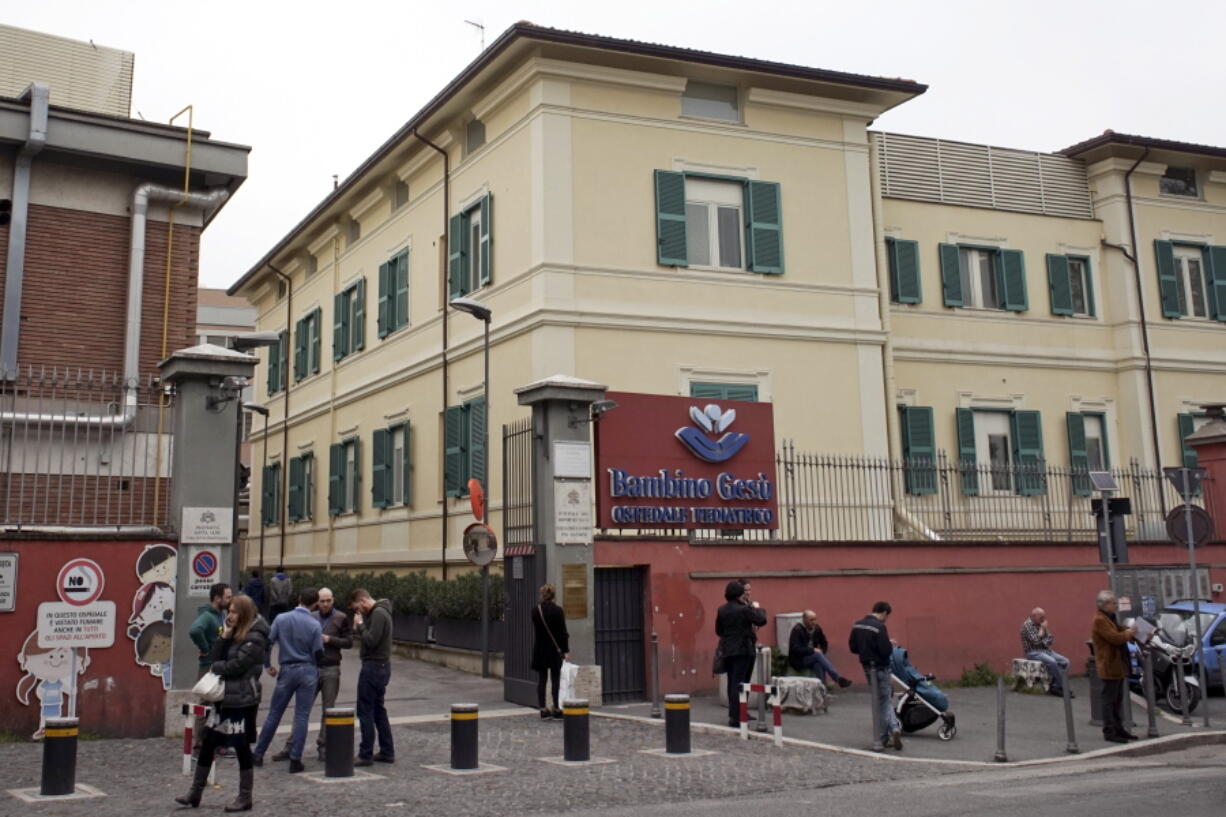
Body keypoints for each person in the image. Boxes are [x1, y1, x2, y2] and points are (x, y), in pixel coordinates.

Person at [176, 594, 266, 812]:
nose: (229, 615)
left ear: (243, 613)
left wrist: (217, 667)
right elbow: (213, 657)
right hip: (225, 699)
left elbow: (237, 665)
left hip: (242, 699)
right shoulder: (234, 632)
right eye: (229, 611)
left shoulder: (255, 636)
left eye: (234, 611)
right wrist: (224, 637)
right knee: (208, 742)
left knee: (241, 746)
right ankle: (195, 793)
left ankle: (245, 797)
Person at [274, 587, 352, 762]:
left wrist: (330, 639)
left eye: (328, 601)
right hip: (311, 667)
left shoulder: (341, 617)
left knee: (328, 709)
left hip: (331, 668)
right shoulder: (311, 617)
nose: (325, 604)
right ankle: (291, 745)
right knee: (302, 710)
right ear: (317, 602)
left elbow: (349, 642)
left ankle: (323, 746)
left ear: (333, 600)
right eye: (322, 601)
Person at [252, 588, 323, 772]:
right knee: (301, 716)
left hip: (287, 669)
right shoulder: (315, 625)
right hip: (307, 670)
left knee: (274, 713)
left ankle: (258, 754)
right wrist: (315, 669)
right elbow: (318, 653)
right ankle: (295, 759)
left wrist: (268, 665)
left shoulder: (281, 619)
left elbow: (268, 643)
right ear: (315, 603)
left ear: (298, 598)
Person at [350, 588, 395, 766]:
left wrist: (360, 624)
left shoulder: (378, 614)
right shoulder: (381, 612)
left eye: (357, 608)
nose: (358, 612)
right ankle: (386, 751)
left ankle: (365, 754)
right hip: (381, 667)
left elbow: (371, 640)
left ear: (362, 601)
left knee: (365, 711)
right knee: (378, 710)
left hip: (373, 667)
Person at [849, 600, 902, 750]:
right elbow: (885, 651)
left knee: (880, 701)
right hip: (881, 668)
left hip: (867, 668)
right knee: (884, 700)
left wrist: (867, 650)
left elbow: (853, 647)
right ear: (885, 612)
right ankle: (890, 731)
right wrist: (888, 644)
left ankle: (889, 732)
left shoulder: (857, 624)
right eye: (887, 616)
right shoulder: (880, 627)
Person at [188, 582, 232, 755]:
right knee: (205, 706)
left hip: (220, 666)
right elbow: (195, 630)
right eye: (227, 597)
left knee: (221, 706)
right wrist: (206, 649)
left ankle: (218, 742)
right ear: (217, 598)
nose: (230, 600)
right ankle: (199, 744)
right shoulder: (208, 616)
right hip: (208, 668)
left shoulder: (221, 615)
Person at [715, 580, 766, 728]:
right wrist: (757, 608)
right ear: (739, 594)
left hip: (728, 650)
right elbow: (761, 620)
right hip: (744, 649)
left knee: (732, 682)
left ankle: (734, 713)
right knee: (743, 683)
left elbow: (718, 631)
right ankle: (738, 716)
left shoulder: (721, 609)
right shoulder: (744, 609)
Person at [1091, 590, 1136, 743]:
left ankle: (1119, 729)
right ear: (1103, 605)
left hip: (1117, 665)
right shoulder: (1100, 620)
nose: (1116, 606)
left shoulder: (1109, 618)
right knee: (1109, 700)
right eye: (1113, 603)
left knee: (1117, 700)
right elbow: (1115, 638)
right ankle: (1109, 731)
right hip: (1109, 665)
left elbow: (1120, 630)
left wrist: (1134, 631)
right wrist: (1130, 633)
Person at [531, 584, 570, 720]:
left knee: (542, 679)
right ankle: (556, 708)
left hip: (540, 649)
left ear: (542, 594)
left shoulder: (535, 611)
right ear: (554, 595)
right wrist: (565, 650)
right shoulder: (558, 611)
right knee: (555, 679)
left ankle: (542, 708)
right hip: (555, 650)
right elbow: (563, 633)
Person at [789, 610, 852, 688]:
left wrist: (822, 650)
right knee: (817, 656)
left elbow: (824, 642)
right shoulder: (797, 630)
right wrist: (812, 650)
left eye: (815, 619)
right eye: (811, 620)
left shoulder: (817, 629)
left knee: (818, 663)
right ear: (804, 620)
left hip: (812, 658)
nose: (814, 622)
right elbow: (795, 649)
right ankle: (838, 678)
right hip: (799, 660)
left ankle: (821, 689)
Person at [1020, 607, 1072, 698]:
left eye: (1044, 616)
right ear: (1034, 616)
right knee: (1052, 662)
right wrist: (1042, 630)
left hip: (1046, 651)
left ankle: (1056, 686)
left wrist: (1043, 637)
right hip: (1033, 652)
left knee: (1066, 662)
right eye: (1041, 616)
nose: (1043, 618)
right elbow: (1035, 642)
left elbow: (1051, 639)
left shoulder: (1041, 624)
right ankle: (1063, 687)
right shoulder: (1027, 625)